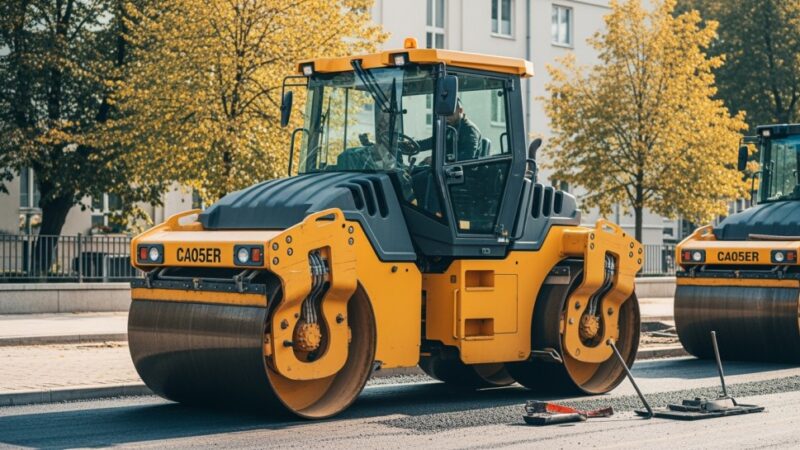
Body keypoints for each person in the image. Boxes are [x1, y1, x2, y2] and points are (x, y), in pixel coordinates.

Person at [417, 98, 482, 162]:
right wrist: (413, 145)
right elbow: (434, 141)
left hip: (464, 170)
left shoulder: (469, 129)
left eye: (450, 113)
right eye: (445, 114)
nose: (447, 117)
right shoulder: (449, 127)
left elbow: (468, 156)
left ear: (460, 110)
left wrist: (439, 159)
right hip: (449, 169)